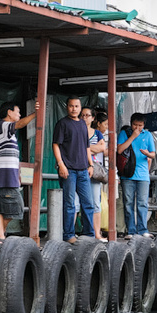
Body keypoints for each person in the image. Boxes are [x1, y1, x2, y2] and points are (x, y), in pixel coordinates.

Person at [52, 97, 97, 244]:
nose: (74, 109)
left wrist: (91, 165)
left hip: (83, 169)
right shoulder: (62, 124)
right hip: (68, 169)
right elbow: (56, 145)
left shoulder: (83, 125)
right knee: (70, 204)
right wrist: (61, 164)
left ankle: (89, 234)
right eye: (71, 106)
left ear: (80, 107)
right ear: (67, 107)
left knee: (88, 203)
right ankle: (69, 235)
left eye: (76, 106)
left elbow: (87, 147)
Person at [0, 100, 39, 242]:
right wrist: (35, 114)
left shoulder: (7, 131)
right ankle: (0, 231)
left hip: (7, 173)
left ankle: (0, 233)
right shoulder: (4, 125)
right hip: (5, 173)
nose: (19, 115)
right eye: (17, 111)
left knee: (1, 205)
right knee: (17, 206)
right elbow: (20, 124)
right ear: (9, 113)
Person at [117, 112, 156, 238]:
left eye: (140, 125)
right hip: (127, 174)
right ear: (131, 123)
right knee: (128, 202)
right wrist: (132, 137)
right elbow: (119, 149)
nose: (137, 128)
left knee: (142, 203)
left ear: (144, 125)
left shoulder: (148, 135)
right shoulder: (124, 133)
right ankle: (131, 231)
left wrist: (147, 154)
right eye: (135, 125)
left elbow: (153, 154)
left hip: (143, 174)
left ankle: (142, 229)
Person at [88, 109, 108, 240]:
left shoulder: (98, 134)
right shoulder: (80, 131)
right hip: (82, 169)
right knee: (78, 203)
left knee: (96, 202)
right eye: (105, 124)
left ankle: (96, 233)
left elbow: (104, 149)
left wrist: (86, 148)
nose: (107, 127)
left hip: (96, 172)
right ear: (98, 122)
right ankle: (86, 232)